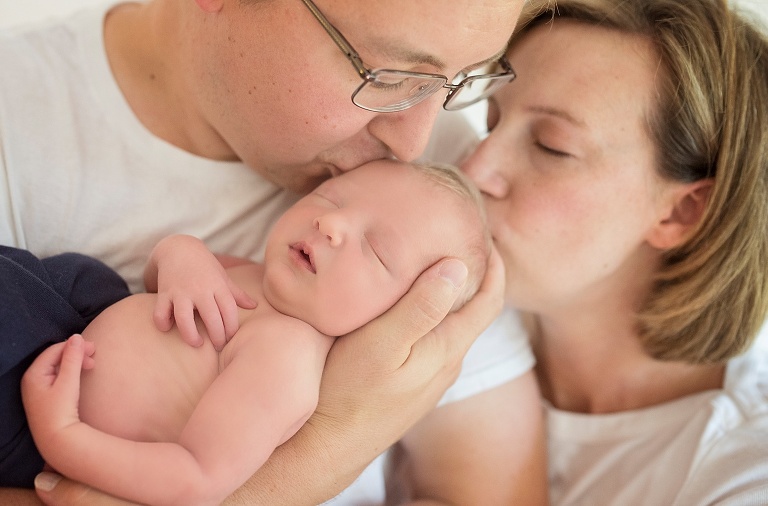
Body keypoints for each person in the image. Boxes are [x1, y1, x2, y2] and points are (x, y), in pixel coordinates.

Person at [0, 0, 534, 503]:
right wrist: (184, 257)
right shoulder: (17, 116)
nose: (414, 143)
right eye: (388, 76)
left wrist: (64, 434)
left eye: (461, 82)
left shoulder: (436, 198)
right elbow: (173, 270)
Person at [386, 0, 768, 503]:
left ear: (681, 213)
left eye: (551, 146)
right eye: (493, 120)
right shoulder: (432, 308)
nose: (474, 169)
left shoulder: (735, 474)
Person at [19, 159, 504, 506]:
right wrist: (182, 255)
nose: (330, 222)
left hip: (52, 422)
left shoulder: (286, 362)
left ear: (397, 321)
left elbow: (197, 479)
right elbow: (160, 289)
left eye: (376, 250)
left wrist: (64, 436)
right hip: (63, 337)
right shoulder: (255, 277)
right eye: (331, 199)